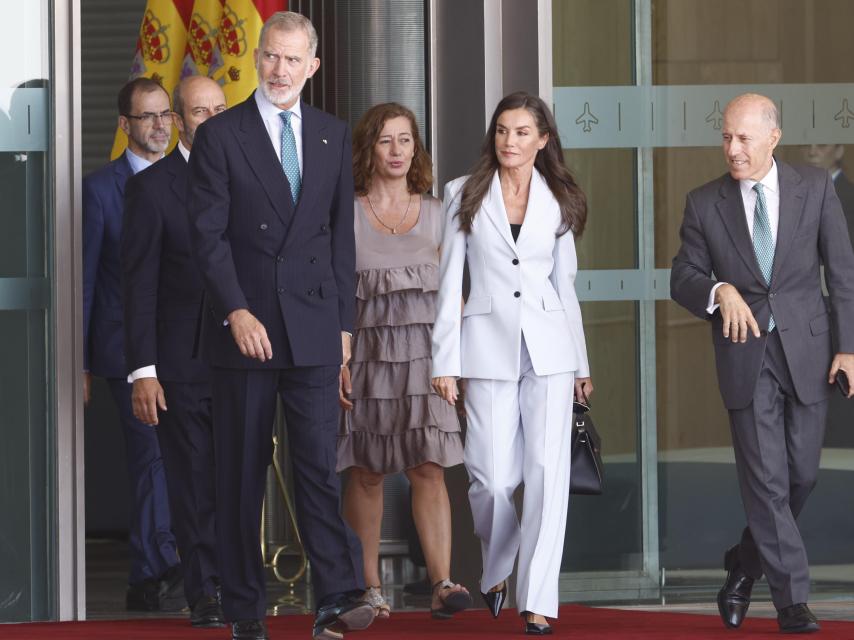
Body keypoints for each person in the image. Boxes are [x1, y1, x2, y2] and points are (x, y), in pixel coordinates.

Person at [187, 11, 373, 640]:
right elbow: (206, 237)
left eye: (293, 60)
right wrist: (236, 310)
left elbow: (339, 240)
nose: (279, 70)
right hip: (247, 328)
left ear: (312, 67)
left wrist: (345, 327)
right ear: (256, 58)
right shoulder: (221, 135)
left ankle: (337, 594)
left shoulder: (330, 133)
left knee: (318, 467)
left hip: (316, 326)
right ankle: (243, 609)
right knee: (240, 474)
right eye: (271, 56)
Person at [670, 93, 854, 634]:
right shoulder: (705, 202)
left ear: (773, 137)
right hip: (745, 355)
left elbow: (842, 273)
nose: (733, 148)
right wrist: (718, 288)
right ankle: (792, 600)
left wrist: (849, 347)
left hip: (810, 352)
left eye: (744, 138)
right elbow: (681, 275)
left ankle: (743, 567)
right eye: (726, 137)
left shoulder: (815, 188)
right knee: (767, 483)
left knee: (803, 474)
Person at [431, 91, 592, 636]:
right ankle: (497, 567)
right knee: (492, 479)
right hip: (485, 347)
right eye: (502, 130)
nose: (510, 141)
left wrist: (581, 362)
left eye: (522, 132)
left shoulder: (560, 197)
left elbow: (563, 286)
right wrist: (443, 363)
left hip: (550, 350)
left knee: (549, 477)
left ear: (542, 139)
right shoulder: (463, 193)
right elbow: (450, 282)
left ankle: (539, 597)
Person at [336, 102, 471, 620]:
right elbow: (332, 293)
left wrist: (457, 362)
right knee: (366, 472)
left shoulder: (440, 212)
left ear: (417, 148)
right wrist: (337, 357)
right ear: (368, 148)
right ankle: (368, 588)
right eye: (386, 140)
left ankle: (443, 583)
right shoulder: (344, 212)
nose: (397, 151)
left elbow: (456, 297)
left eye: (406, 140)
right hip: (365, 358)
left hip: (428, 360)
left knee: (429, 468)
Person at [121, 75, 227, 628]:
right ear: (180, 121)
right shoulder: (151, 188)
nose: (210, 119)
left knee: (237, 477)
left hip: (245, 357)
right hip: (180, 363)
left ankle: (236, 581)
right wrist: (143, 371)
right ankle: (205, 588)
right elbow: (136, 286)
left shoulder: (250, 176)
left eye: (219, 109)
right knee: (192, 481)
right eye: (199, 112)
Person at [82, 77, 183, 612]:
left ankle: (168, 561)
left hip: (182, 350)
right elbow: (86, 281)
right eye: (146, 117)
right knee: (150, 456)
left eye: (165, 114)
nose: (159, 125)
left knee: (178, 456)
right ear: (125, 125)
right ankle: (152, 568)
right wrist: (79, 362)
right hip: (125, 352)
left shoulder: (190, 181)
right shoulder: (100, 190)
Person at [803, 143, 854, 248]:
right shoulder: (798, 193)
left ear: (839, 151)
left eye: (822, 145)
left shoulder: (850, 196)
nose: (812, 152)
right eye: (806, 145)